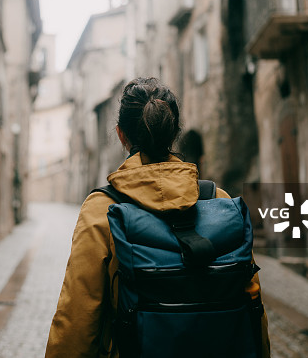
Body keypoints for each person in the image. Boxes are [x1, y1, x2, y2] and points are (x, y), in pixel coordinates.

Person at [45, 77, 270, 358]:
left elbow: (77, 317)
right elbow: (252, 301)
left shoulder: (102, 209)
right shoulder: (219, 201)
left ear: (121, 135)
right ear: (174, 131)